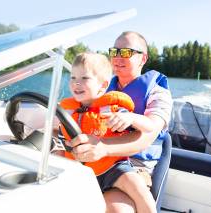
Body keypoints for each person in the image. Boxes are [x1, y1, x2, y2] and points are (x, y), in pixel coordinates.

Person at [68, 32, 172, 213]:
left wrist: (104, 147)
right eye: (114, 52)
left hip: (134, 167)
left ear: (143, 58)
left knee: (115, 210)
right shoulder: (99, 88)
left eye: (125, 52)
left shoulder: (158, 93)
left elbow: (149, 132)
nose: (117, 57)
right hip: (93, 159)